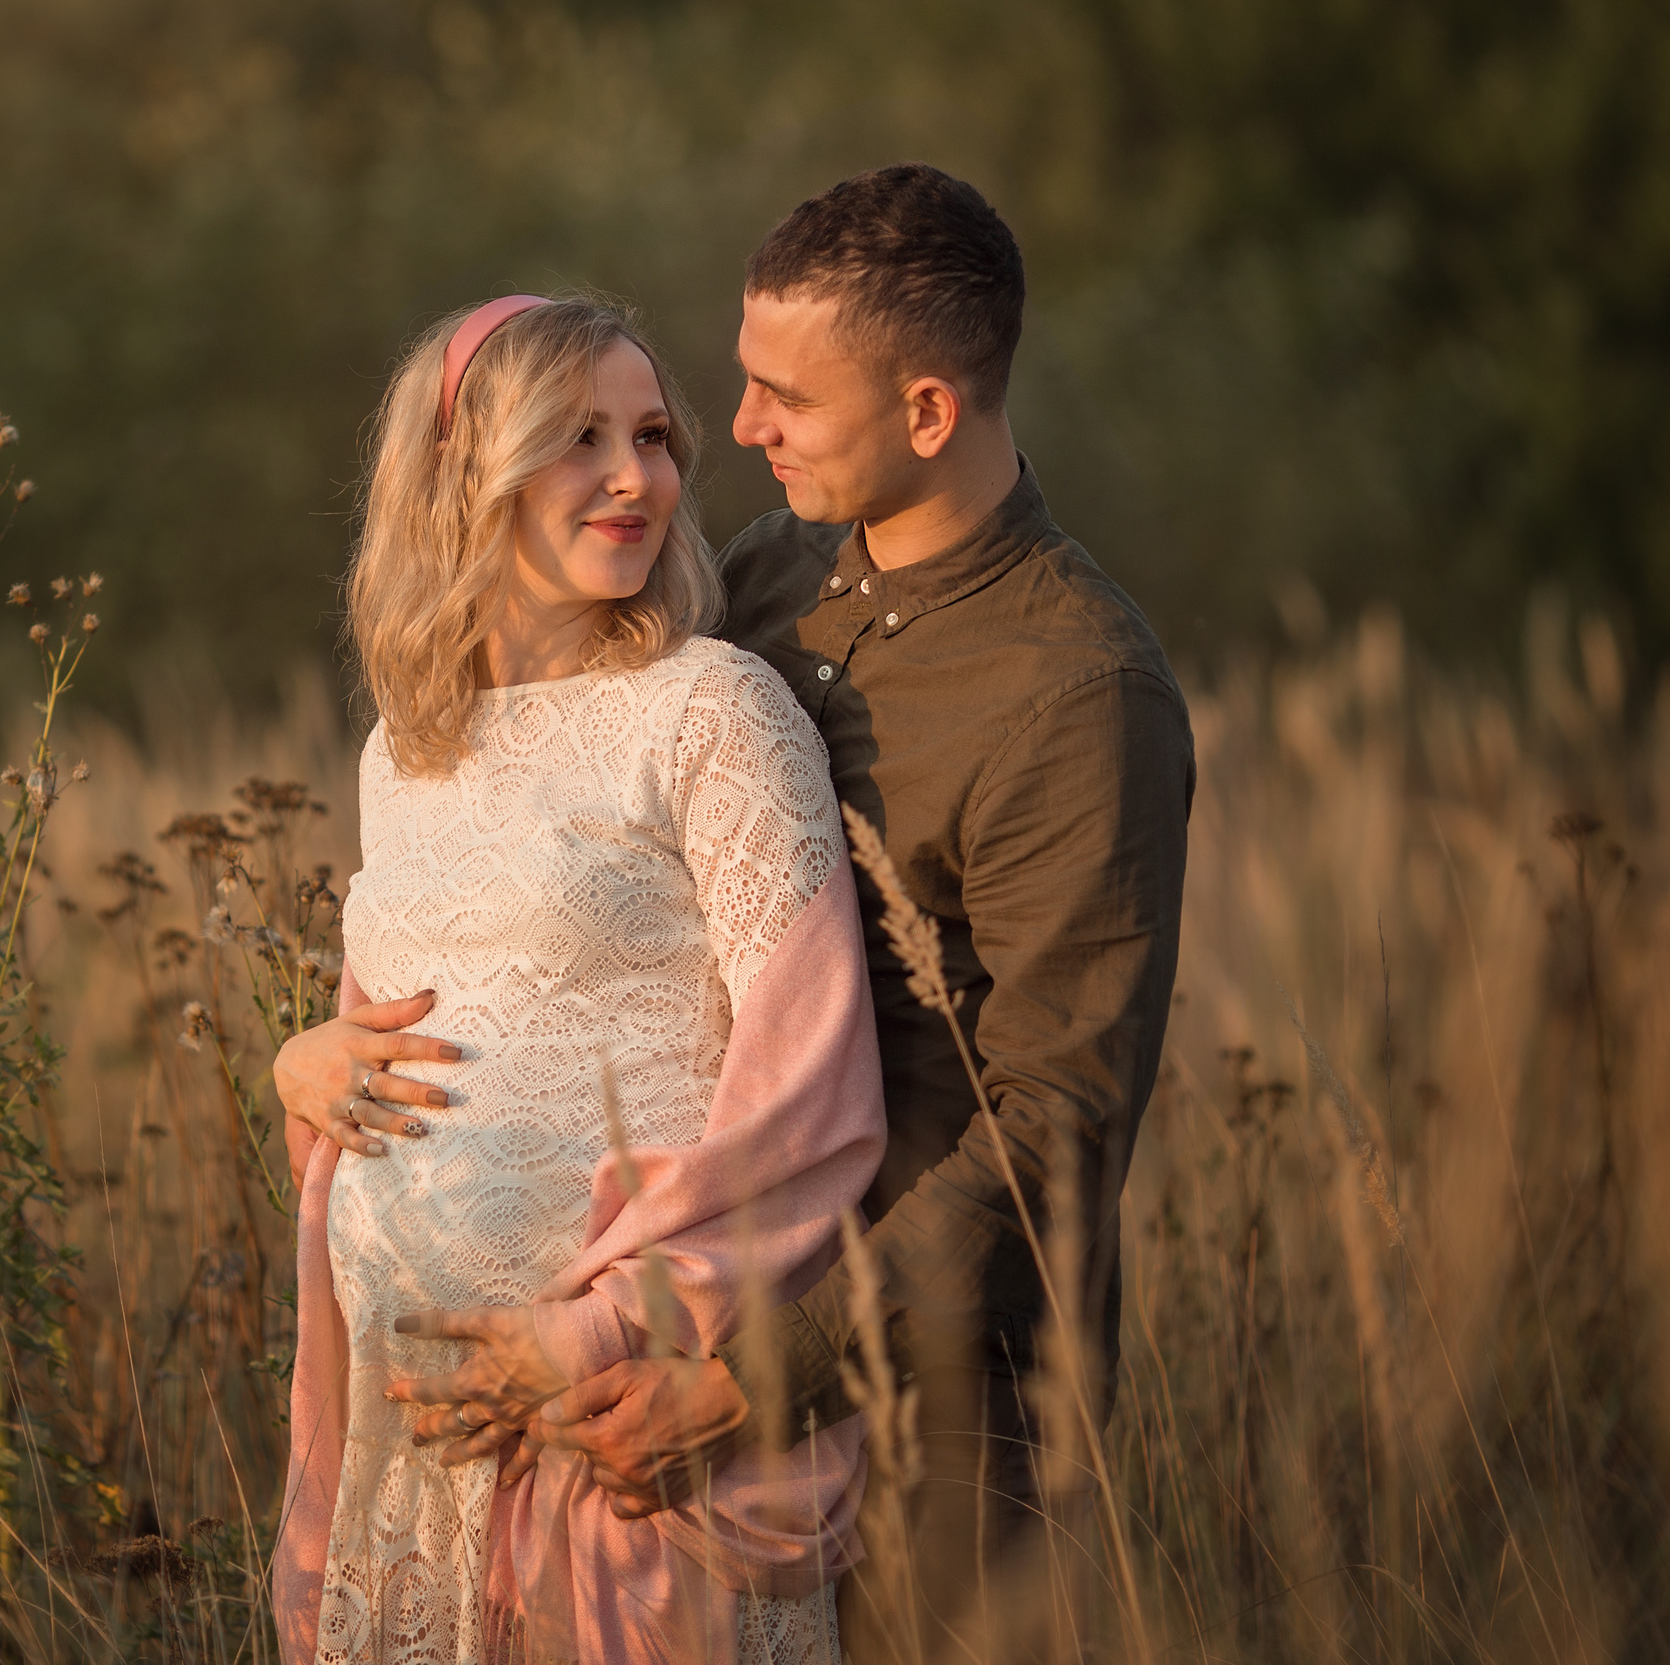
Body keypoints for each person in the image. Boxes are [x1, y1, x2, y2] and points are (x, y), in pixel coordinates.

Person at [346, 167, 1197, 1661]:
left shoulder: (1079, 694)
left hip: (935, 1396)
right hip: (677, 1347)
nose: (738, 432)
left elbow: (1054, 1122)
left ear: (929, 414)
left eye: (782, 399)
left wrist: (751, 1374)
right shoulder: (773, 576)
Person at [266, 293, 888, 1664]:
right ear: (459, 475)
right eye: (577, 438)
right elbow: (391, 1055)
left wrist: (601, 1333)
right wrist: (298, 1066)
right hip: (421, 1454)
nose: (634, 476)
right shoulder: (401, 751)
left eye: (654, 435)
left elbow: (811, 1102)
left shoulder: (709, 711)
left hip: (623, 1443)